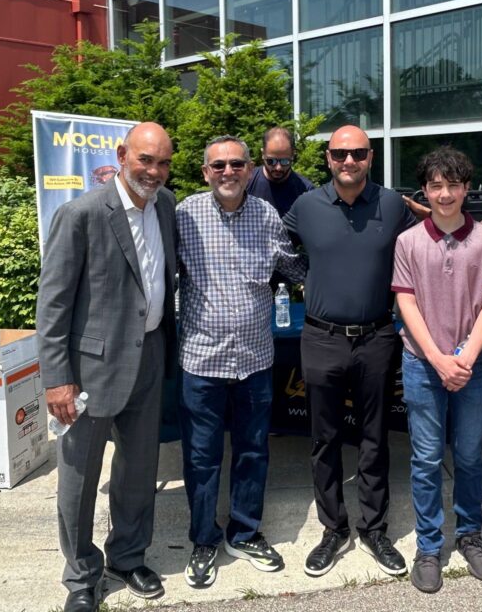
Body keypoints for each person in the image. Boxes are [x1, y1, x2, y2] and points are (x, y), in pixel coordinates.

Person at [36, 122, 177, 612]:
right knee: (78, 478)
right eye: (145, 160)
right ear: (121, 156)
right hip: (89, 371)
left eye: (163, 162)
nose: (154, 171)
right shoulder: (82, 214)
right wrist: (57, 378)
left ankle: (127, 556)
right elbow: (53, 304)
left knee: (138, 470)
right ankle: (80, 575)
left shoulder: (166, 205)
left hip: (150, 356)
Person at [282, 125, 415, 578]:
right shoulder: (307, 206)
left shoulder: (392, 205)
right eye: (340, 154)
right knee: (325, 439)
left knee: (375, 438)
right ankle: (333, 528)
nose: (349, 161)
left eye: (358, 153)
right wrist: (305, 277)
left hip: (377, 337)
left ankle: (374, 528)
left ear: (370, 157)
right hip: (321, 338)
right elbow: (276, 246)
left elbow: (424, 246)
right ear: (328, 158)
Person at [176, 135, 307, 590]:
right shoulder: (184, 215)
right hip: (201, 359)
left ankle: (244, 532)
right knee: (201, 456)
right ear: (205, 172)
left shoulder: (266, 215)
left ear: (250, 169)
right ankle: (204, 539)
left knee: (253, 450)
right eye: (219, 165)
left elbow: (293, 267)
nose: (228, 172)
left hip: (255, 358)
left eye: (236, 164)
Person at [391, 146, 482, 593]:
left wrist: (466, 358)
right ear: (424, 190)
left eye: (453, 185)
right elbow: (406, 302)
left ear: (466, 188)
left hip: (476, 364)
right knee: (426, 458)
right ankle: (429, 545)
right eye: (436, 185)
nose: (444, 194)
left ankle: (470, 534)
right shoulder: (408, 241)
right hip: (422, 364)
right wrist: (438, 359)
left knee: (470, 454)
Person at [246, 126, 314, 218]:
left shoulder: (306, 190)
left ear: (293, 155)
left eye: (285, 161)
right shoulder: (247, 182)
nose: (278, 168)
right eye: (271, 161)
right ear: (263, 154)